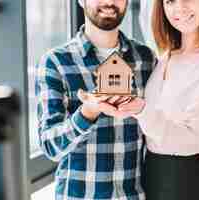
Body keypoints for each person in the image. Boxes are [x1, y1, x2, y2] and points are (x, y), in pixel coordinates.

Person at [35, 0, 156, 199]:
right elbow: (50, 146)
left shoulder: (146, 59)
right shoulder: (55, 62)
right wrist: (87, 113)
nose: (109, 2)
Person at [115, 0, 199, 199]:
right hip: (152, 178)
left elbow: (191, 140)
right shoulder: (166, 56)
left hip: (185, 182)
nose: (179, 7)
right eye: (170, 1)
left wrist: (141, 110)